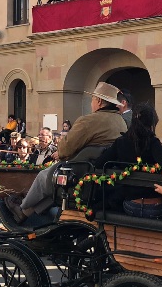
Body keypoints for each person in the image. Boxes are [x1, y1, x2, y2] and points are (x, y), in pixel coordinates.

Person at [9, 82, 127, 226]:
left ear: (99, 101)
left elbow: (65, 148)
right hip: (103, 175)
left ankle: (21, 209)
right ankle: (27, 212)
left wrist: (61, 152)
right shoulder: (121, 122)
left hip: (80, 174)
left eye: (92, 100)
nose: (91, 103)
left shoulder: (89, 120)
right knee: (51, 184)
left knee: (43, 177)